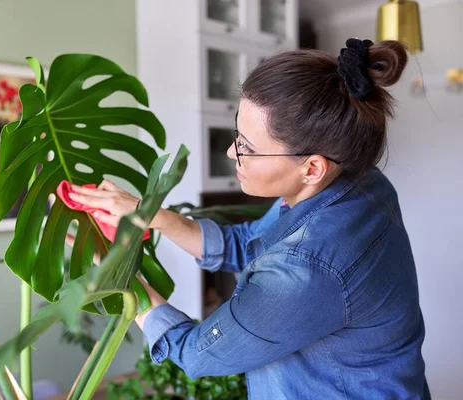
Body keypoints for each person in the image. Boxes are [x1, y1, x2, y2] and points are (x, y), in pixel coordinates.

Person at [67, 38, 431, 399]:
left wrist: (116, 272)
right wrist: (155, 217)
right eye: (237, 135)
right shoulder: (357, 179)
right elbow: (251, 243)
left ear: (312, 167)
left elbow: (196, 353)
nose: (230, 151)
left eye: (247, 148)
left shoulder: (307, 269)